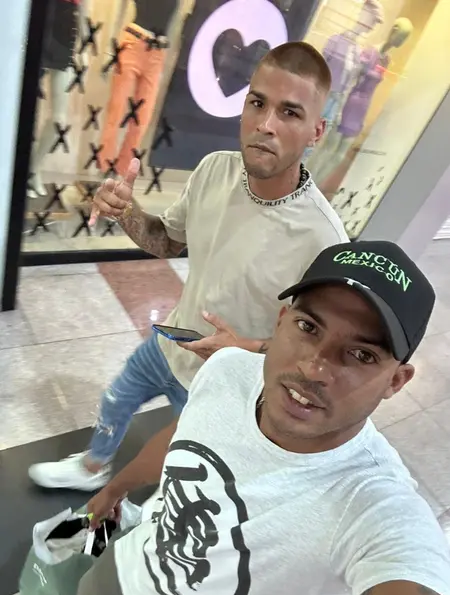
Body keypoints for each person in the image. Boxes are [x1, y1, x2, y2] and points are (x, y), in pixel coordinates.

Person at [55, 240, 450, 595]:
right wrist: (115, 490)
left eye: (362, 354)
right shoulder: (229, 369)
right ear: (281, 322)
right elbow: (186, 437)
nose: (313, 369)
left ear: (396, 381)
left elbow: (407, 578)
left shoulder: (375, 504)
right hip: (116, 582)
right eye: (308, 328)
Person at [29, 41, 349, 491]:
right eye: (257, 103)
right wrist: (127, 212)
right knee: (116, 399)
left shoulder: (323, 238)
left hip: (225, 381)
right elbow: (166, 240)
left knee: (182, 470)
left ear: (316, 132)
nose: (265, 125)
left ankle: (151, 513)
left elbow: (317, 349)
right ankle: (91, 468)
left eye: (289, 113)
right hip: (170, 341)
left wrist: (244, 349)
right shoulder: (215, 170)